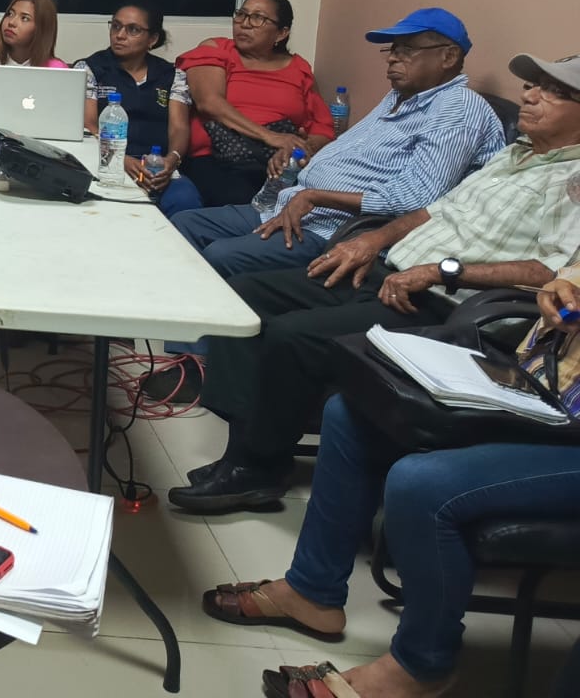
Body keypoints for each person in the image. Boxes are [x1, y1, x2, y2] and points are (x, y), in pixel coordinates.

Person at [168, 51, 580, 514]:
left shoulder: (573, 176)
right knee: (243, 294)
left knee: (291, 334)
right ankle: (243, 451)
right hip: (390, 270)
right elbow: (433, 212)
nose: (530, 95)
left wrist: (442, 271)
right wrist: (373, 240)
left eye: (553, 91)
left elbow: (553, 271)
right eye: (532, 85)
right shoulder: (515, 154)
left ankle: (257, 469)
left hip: (446, 304)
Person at [204, 265, 580, 698]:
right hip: (541, 391)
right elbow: (564, 273)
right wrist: (559, 287)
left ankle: (421, 665)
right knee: (350, 414)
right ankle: (312, 591)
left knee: (420, 484)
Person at [172, 7, 506, 278]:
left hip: (334, 229)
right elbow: (351, 154)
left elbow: (417, 199)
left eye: (407, 50)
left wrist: (315, 195)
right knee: (184, 224)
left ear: (448, 57)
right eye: (392, 50)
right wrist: (300, 161)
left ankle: (204, 343)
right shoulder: (398, 97)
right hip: (290, 207)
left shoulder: (458, 107)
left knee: (220, 254)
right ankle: (175, 332)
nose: (393, 58)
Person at [176, 0, 336, 208]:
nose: (244, 24)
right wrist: (271, 137)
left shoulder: (300, 68)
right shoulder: (216, 50)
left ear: (281, 33)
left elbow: (322, 129)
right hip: (218, 159)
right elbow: (209, 103)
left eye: (258, 18)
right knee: (241, 199)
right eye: (241, 14)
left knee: (317, 198)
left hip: (280, 162)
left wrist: (294, 150)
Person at [72, 1, 201, 216]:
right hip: (106, 165)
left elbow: (179, 127)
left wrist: (172, 160)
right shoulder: (91, 69)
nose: (120, 35)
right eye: (116, 26)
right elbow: (89, 125)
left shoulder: (172, 75)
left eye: (133, 30)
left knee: (185, 200)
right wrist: (121, 160)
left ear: (152, 39)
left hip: (157, 167)